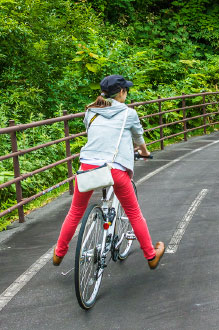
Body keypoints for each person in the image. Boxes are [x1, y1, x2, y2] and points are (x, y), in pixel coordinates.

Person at [53, 75, 165, 269]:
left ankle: (58, 254)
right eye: (126, 90)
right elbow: (139, 139)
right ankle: (150, 255)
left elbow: (95, 134)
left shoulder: (91, 112)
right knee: (133, 213)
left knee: (75, 212)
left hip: (88, 167)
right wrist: (145, 153)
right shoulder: (129, 113)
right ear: (121, 92)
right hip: (115, 169)